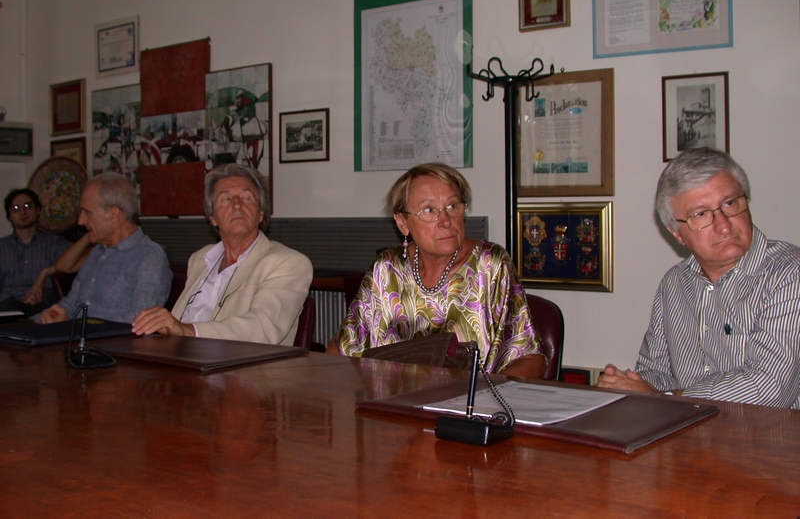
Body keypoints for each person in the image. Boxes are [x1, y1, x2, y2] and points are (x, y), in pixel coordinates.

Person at [597, 148, 800, 408]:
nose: (724, 225)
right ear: (677, 234)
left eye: (730, 203)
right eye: (700, 214)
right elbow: (657, 372)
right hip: (689, 438)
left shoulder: (788, 273)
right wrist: (626, 385)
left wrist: (666, 398)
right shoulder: (675, 282)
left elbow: (769, 389)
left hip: (769, 442)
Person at [326, 163, 545, 378]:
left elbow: (530, 358)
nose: (446, 221)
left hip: (466, 406)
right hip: (392, 404)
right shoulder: (387, 268)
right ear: (403, 222)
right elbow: (342, 349)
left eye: (452, 206)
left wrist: (481, 399)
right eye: (429, 210)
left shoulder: (490, 264)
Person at [131, 164, 313, 345]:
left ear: (260, 214)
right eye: (226, 199)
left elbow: (263, 328)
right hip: (182, 361)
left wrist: (187, 331)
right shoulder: (200, 259)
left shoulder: (288, 262)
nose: (237, 205)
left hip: (244, 370)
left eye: (247, 198)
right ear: (212, 217)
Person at [39, 173, 172, 324]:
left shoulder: (149, 256)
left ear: (114, 215)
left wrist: (71, 324)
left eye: (87, 213)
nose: (81, 221)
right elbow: (70, 304)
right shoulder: (99, 251)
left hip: (112, 345)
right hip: (78, 340)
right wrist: (43, 319)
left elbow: (138, 321)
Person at [0, 188, 71, 315]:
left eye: (28, 206)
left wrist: (48, 271)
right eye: (16, 208)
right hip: (8, 308)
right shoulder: (2, 247)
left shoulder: (53, 244)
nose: (23, 212)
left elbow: (85, 257)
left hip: (43, 307)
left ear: (38, 210)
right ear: (10, 216)